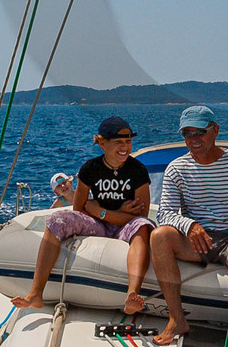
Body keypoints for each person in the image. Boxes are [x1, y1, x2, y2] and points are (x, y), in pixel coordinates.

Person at [145, 107, 228, 347]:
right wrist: (190, 225)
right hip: (197, 239)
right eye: (187, 133)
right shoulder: (177, 168)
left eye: (200, 132)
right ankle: (177, 319)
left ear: (215, 131)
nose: (193, 139)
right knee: (159, 235)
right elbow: (165, 214)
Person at [19, 118, 153, 312]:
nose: (125, 147)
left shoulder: (138, 171)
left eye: (128, 141)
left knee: (142, 227)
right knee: (57, 220)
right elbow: (79, 210)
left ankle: (132, 295)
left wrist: (102, 211)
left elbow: (141, 216)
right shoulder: (90, 169)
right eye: (119, 142)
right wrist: (109, 213)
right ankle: (36, 293)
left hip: (125, 224)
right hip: (98, 224)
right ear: (102, 144)